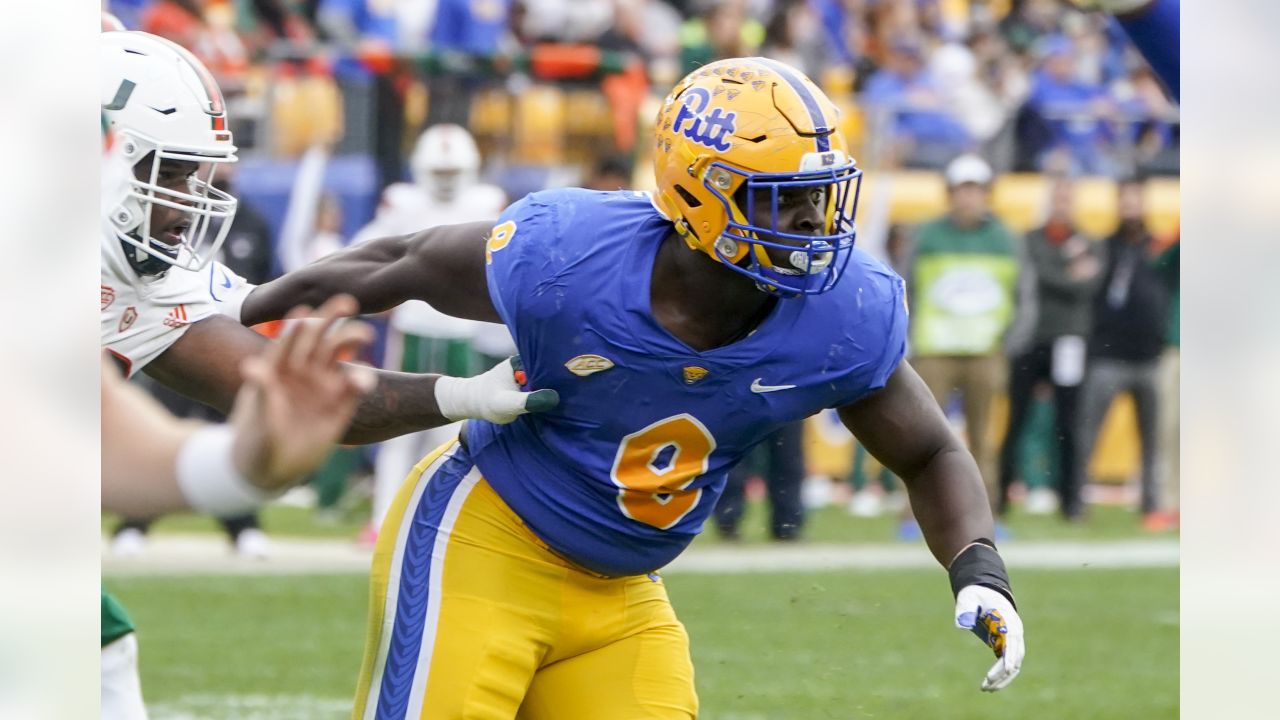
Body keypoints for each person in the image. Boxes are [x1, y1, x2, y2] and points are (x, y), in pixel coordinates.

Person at [240, 57, 1026, 716]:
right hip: (485, 541)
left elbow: (928, 452)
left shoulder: (842, 312)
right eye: (780, 197)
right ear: (699, 190)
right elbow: (397, 264)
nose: (811, 222)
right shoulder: (572, 260)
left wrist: (979, 569)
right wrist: (241, 311)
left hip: (621, 592)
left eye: (819, 195)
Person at [99, 30, 550, 451]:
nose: (184, 202)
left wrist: (464, 394)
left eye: (188, 176)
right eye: (169, 175)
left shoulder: (137, 283)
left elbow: (298, 394)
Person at [350, 123, 510, 542]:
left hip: (459, 334)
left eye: (450, 173)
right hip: (415, 329)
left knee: (450, 432)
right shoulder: (403, 202)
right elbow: (365, 252)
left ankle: (434, 522)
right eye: (438, 173)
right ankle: (384, 518)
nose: (444, 182)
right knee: (395, 425)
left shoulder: (487, 201)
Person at [906, 154, 1020, 519]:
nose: (967, 198)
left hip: (985, 352)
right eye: (961, 189)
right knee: (919, 435)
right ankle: (916, 515)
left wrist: (1009, 342)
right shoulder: (925, 235)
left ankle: (985, 515)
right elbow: (902, 286)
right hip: (934, 350)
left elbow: (1023, 295)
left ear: (986, 194)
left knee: (983, 438)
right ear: (950, 193)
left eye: (974, 190)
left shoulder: (1006, 238)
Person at [998, 175, 1105, 520]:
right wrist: (1067, 270)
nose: (1062, 205)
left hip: (1069, 340)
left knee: (1070, 423)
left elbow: (1089, 284)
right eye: (1057, 198)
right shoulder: (1030, 239)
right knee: (1017, 419)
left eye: (1067, 199)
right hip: (1031, 338)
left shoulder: (1089, 240)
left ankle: (1072, 501)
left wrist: (1062, 274)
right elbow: (1039, 274)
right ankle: (999, 496)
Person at [1074, 175, 1169, 522]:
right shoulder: (1105, 246)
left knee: (1152, 438)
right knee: (1089, 431)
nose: (1130, 206)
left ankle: (1151, 503)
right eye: (1125, 199)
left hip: (1148, 355)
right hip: (1108, 354)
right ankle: (1077, 501)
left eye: (1136, 199)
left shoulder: (1158, 247)